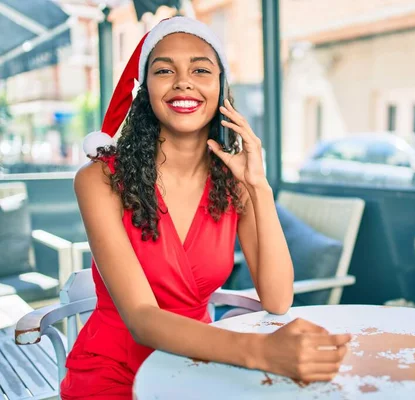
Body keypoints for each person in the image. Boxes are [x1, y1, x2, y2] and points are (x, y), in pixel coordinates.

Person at [60, 16, 351, 399]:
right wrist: (263, 352)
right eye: (164, 70)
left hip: (198, 365)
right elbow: (142, 320)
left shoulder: (234, 183)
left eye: (201, 69)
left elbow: (278, 298)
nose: (184, 81)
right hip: (114, 371)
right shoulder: (99, 180)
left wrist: (258, 187)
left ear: (220, 89)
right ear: (145, 89)